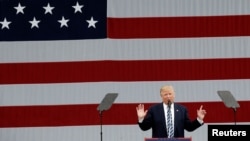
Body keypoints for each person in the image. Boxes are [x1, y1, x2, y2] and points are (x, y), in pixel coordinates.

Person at [136, 85, 207, 138]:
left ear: (174, 95)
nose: (168, 96)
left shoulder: (182, 109)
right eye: (165, 94)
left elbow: (189, 127)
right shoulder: (154, 109)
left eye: (170, 94)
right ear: (161, 96)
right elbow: (145, 127)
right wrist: (141, 119)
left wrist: (199, 119)